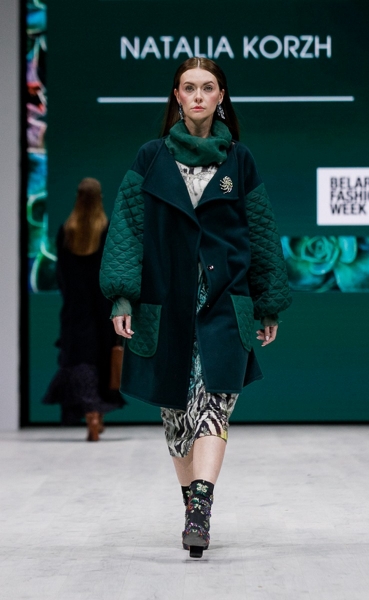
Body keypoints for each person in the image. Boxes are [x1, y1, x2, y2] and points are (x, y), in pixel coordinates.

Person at [100, 58, 292, 557]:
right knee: (177, 415)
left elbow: (261, 232)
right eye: (190, 88)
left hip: (225, 302)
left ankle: (201, 502)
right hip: (167, 305)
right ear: (177, 97)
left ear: (221, 96)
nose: (200, 96)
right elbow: (128, 228)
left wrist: (268, 303)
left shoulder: (239, 161)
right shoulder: (151, 157)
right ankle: (193, 509)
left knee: (214, 402)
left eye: (208, 87)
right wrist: (122, 294)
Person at [43, 178, 125, 440]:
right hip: (103, 306)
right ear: (99, 198)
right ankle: (97, 414)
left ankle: (90, 413)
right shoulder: (106, 230)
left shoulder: (66, 231)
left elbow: (62, 276)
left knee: (80, 360)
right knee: (102, 358)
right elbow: (113, 270)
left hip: (75, 310)